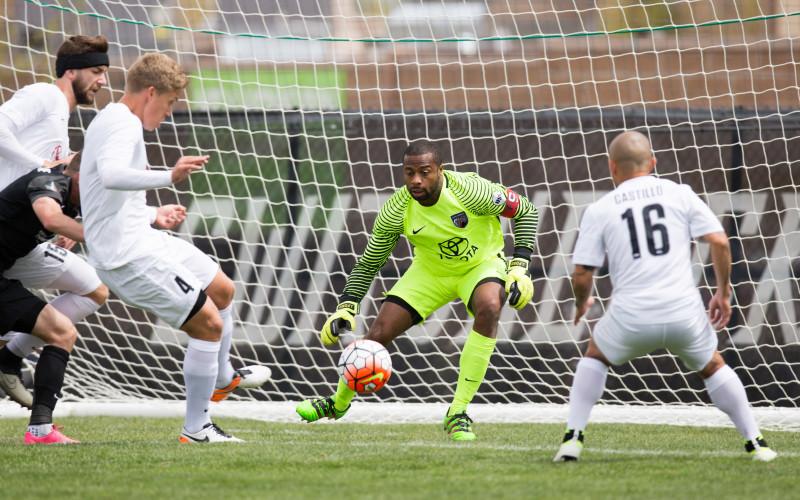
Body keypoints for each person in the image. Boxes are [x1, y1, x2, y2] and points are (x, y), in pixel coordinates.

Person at [553, 130, 777, 462]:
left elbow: (582, 272)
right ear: (653, 163)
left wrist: (581, 301)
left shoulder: (600, 208)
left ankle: (572, 439)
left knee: (595, 355)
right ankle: (756, 442)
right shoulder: (679, 193)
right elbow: (719, 241)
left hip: (631, 316)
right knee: (713, 365)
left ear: (612, 167)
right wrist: (723, 293)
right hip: (683, 313)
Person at [79, 53, 269, 444]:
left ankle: (221, 376)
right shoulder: (121, 124)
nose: (168, 113)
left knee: (222, 290)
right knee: (209, 324)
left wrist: (152, 213)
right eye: (168, 104)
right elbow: (112, 176)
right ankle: (197, 428)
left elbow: (104, 192)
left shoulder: (118, 120)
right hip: (126, 257)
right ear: (150, 93)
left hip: (141, 237)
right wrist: (170, 175)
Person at [296, 139, 540, 441]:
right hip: (430, 272)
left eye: (424, 172)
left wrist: (519, 267)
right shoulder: (397, 209)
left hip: (481, 265)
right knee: (377, 335)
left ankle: (458, 412)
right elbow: (370, 262)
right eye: (409, 172)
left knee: (489, 306)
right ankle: (338, 403)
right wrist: (347, 305)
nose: (416, 180)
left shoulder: (471, 191)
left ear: (440, 170)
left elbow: (526, 211)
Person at [0, 35, 111, 408]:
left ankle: (9, 358)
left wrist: (60, 226)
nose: (102, 80)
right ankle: (9, 358)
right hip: (5, 226)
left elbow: (56, 182)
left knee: (94, 289)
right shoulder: (44, 95)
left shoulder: (62, 125)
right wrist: (37, 165)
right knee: (93, 289)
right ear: (71, 71)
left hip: (23, 239)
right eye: (97, 71)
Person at [0, 154, 85, 443]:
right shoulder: (49, 181)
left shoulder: (76, 199)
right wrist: (96, 237)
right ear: (81, 176)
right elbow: (50, 217)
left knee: (62, 331)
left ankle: (40, 430)